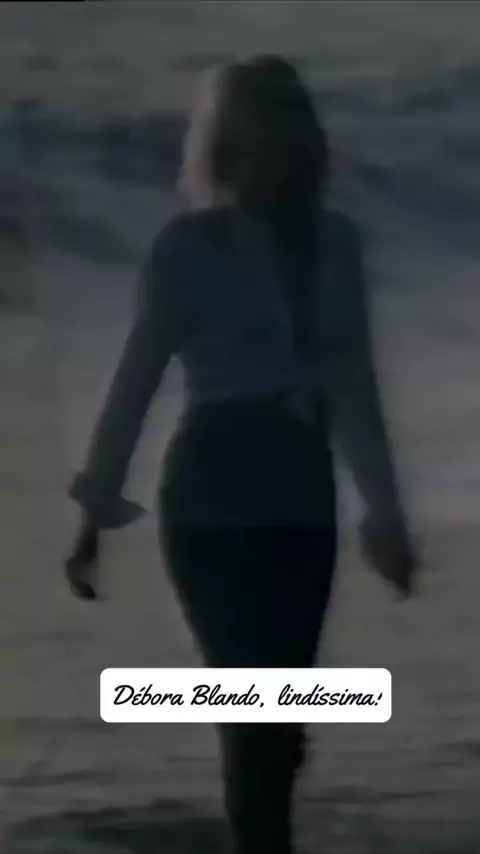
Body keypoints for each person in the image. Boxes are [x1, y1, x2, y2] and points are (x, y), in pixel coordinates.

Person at [65, 56, 417, 854]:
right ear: (226, 148)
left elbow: (355, 387)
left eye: (285, 133)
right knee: (251, 710)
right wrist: (93, 519)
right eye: (253, 138)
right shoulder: (189, 247)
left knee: (285, 722)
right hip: (213, 495)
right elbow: (135, 382)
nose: (271, 154)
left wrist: (384, 515)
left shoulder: (336, 243)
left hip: (301, 492)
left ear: (306, 142)